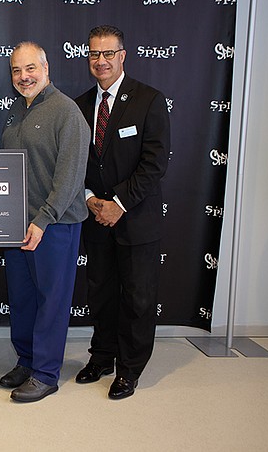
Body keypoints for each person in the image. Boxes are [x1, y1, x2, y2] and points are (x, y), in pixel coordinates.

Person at [74, 25, 171, 400]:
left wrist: (118, 203)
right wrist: (89, 200)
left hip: (136, 220)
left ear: (123, 55)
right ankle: (102, 357)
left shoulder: (149, 100)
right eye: (94, 54)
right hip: (96, 219)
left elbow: (154, 163)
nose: (101, 61)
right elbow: (77, 163)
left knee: (138, 298)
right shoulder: (80, 105)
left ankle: (130, 370)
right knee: (101, 294)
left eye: (108, 54)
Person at [0, 42, 89, 403]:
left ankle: (47, 373)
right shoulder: (16, 112)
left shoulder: (66, 111)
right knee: (22, 299)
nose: (24, 77)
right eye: (17, 71)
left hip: (54, 226)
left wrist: (44, 219)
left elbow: (69, 177)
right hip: (18, 226)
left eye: (30, 69)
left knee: (51, 300)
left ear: (46, 68)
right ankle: (27, 360)